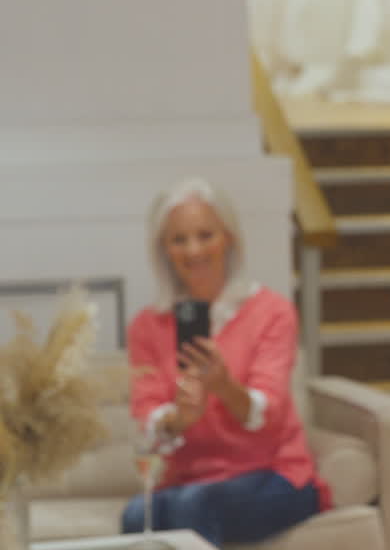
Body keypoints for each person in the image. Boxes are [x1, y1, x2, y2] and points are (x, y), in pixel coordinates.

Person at [123, 177, 329, 546]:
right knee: (136, 516)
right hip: (190, 481)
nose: (194, 250)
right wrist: (178, 419)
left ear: (229, 238)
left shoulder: (271, 312)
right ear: (164, 249)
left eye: (206, 235)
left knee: (194, 506)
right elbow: (146, 416)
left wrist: (224, 386)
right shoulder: (147, 326)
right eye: (179, 239)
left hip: (275, 477)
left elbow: (270, 413)